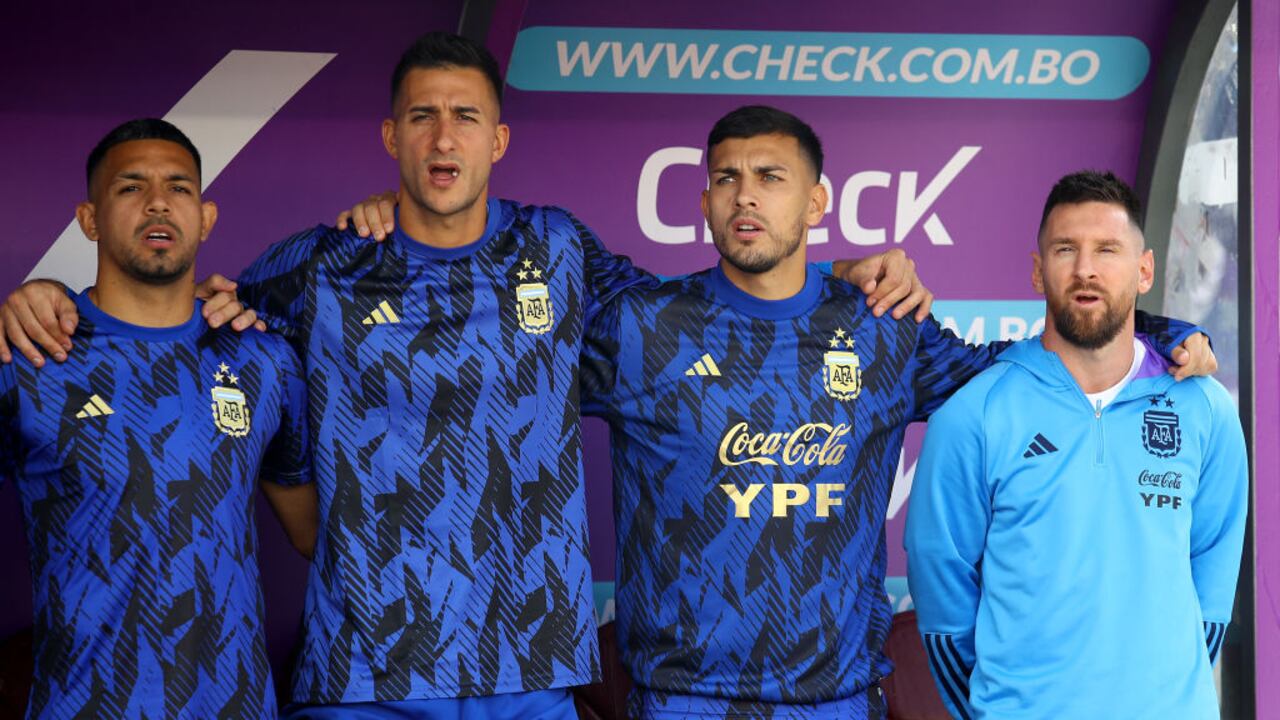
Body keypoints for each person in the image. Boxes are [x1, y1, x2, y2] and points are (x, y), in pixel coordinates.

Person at [1, 34, 934, 719]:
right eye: (422, 117)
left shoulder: (560, 250)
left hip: (529, 672)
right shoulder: (323, 263)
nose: (443, 138)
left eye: (466, 117)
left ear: (499, 140)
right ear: (391, 137)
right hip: (364, 675)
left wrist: (836, 274)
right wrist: (48, 299)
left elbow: (707, 312)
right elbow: (173, 307)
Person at [0, 118, 314, 719]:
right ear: (89, 219)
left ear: (206, 217)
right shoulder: (30, 357)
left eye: (179, 187)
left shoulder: (265, 359)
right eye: (130, 187)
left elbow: (316, 535)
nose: (157, 203)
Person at [904, 171, 1247, 719]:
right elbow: (943, 601)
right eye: (1066, 249)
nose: (1086, 268)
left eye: (1107, 249)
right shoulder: (975, 412)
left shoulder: (1204, 408)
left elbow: (1213, 582)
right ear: (1038, 271)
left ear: (1144, 270)